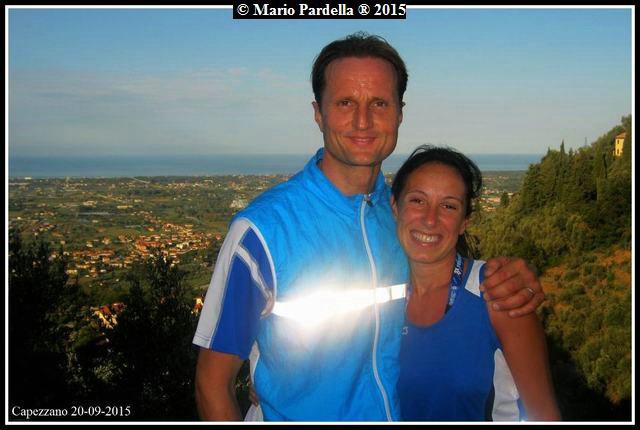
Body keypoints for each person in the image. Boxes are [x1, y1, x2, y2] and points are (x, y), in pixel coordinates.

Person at [192, 32, 544, 421]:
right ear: (318, 113)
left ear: (399, 113)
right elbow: (212, 384)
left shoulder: (401, 219)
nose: (363, 121)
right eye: (345, 102)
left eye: (379, 103)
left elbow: (448, 286)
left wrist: (514, 275)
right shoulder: (263, 230)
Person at [392, 145, 560, 421]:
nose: (430, 219)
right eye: (417, 200)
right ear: (395, 207)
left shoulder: (499, 293)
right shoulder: (379, 294)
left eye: (448, 206)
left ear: (464, 222)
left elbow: (545, 415)